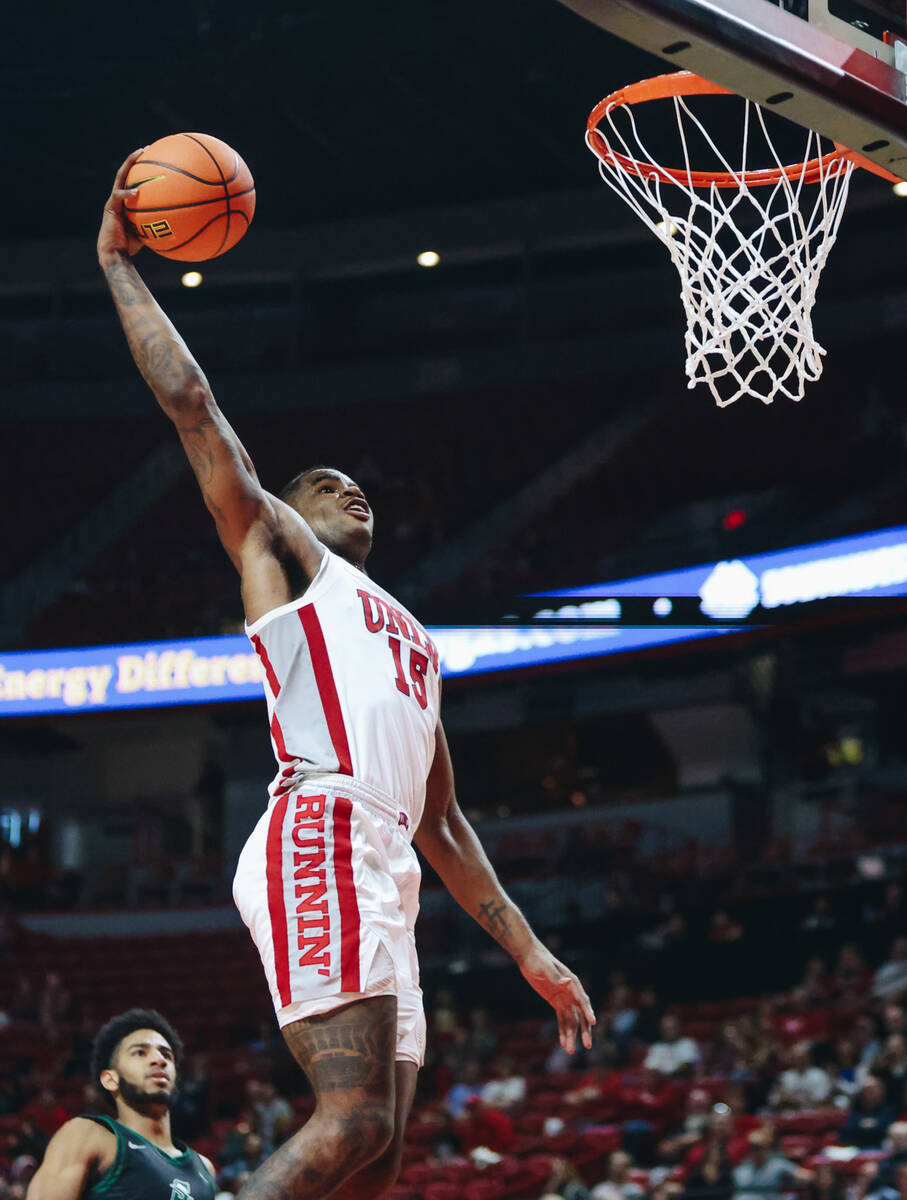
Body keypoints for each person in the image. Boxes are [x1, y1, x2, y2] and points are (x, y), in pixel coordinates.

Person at [97, 153, 595, 1200]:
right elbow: (195, 410)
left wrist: (531, 954)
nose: (349, 487)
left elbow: (446, 825)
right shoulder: (285, 559)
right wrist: (119, 265)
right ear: (282, 515)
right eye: (324, 483)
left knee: (374, 1159)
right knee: (354, 1115)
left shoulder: (413, 636)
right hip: (318, 823)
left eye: (358, 483)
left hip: (388, 861)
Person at [26, 1008, 216, 1199]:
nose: (159, 1060)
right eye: (140, 1052)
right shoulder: (87, 1135)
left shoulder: (204, 1168)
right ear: (111, 1079)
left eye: (166, 1055)